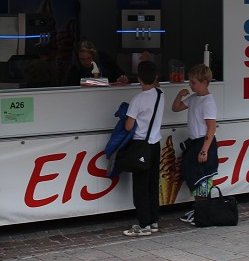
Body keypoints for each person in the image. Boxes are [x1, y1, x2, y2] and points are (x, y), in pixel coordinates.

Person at [122, 60, 164, 236]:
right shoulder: (161, 94)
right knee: (153, 184)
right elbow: (157, 85)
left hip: (140, 146)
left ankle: (144, 225)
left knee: (140, 187)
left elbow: (128, 127)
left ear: (138, 78)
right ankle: (154, 221)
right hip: (155, 144)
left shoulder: (137, 99)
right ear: (155, 77)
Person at [171, 63, 217, 198]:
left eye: (193, 82)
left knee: (202, 178)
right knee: (194, 176)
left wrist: (204, 150)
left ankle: (203, 210)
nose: (190, 85)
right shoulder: (194, 98)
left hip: (203, 142)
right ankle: (199, 209)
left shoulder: (208, 102)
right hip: (194, 142)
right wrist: (179, 95)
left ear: (204, 82)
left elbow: (211, 128)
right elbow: (176, 108)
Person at [63, 40, 127, 86]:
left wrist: (122, 79)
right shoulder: (74, 70)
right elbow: (67, 88)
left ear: (94, 56)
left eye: (89, 58)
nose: (86, 62)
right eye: (82, 59)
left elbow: (120, 75)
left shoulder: (105, 61)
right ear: (78, 59)